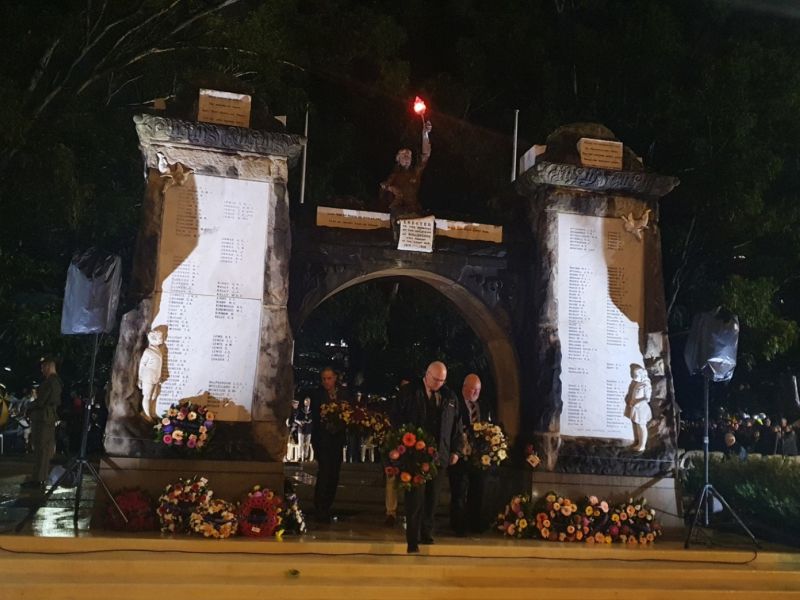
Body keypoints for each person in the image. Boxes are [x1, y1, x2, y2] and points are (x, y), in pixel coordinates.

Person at [391, 361, 461, 553]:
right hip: (415, 455)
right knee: (415, 498)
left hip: (439, 455)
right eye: (436, 379)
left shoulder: (449, 397)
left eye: (442, 380)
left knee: (432, 498)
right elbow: (396, 418)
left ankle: (426, 533)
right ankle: (412, 539)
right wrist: (403, 445)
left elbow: (456, 426)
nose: (439, 383)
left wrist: (455, 450)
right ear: (427, 374)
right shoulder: (409, 392)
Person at [448, 373, 492, 536]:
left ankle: (475, 522)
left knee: (478, 490)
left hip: (478, 457)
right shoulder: (455, 404)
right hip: (460, 455)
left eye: (478, 389)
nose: (475, 392)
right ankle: (458, 525)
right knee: (459, 491)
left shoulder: (483, 405)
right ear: (464, 388)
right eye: (472, 389)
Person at [309, 367, 351, 523]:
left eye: (329, 378)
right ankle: (320, 508)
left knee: (334, 474)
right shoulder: (317, 394)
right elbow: (315, 415)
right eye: (324, 379)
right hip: (322, 439)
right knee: (325, 472)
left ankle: (327, 505)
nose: (326, 381)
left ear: (335, 378)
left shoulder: (344, 393)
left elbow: (349, 412)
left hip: (337, 439)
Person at [379, 121, 432, 230]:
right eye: (403, 155)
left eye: (408, 155)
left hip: (414, 210)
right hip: (399, 210)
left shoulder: (415, 172)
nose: (406, 157)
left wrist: (425, 134)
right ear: (398, 159)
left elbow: (425, 155)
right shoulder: (395, 175)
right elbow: (383, 190)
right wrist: (391, 189)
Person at [22, 357, 62, 490]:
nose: (41, 370)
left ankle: (38, 479)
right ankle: (40, 478)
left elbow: (41, 401)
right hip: (48, 418)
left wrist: (28, 407)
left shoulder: (50, 382)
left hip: (43, 418)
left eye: (43, 367)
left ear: (49, 367)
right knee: (44, 450)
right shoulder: (56, 382)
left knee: (41, 450)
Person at [624, 364, 652, 452]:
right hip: (636, 407)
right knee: (638, 426)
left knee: (642, 426)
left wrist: (636, 402)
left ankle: (642, 445)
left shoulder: (646, 384)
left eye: (635, 375)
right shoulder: (638, 383)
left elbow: (647, 398)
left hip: (641, 408)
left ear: (641, 374)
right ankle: (639, 443)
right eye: (633, 374)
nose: (633, 377)